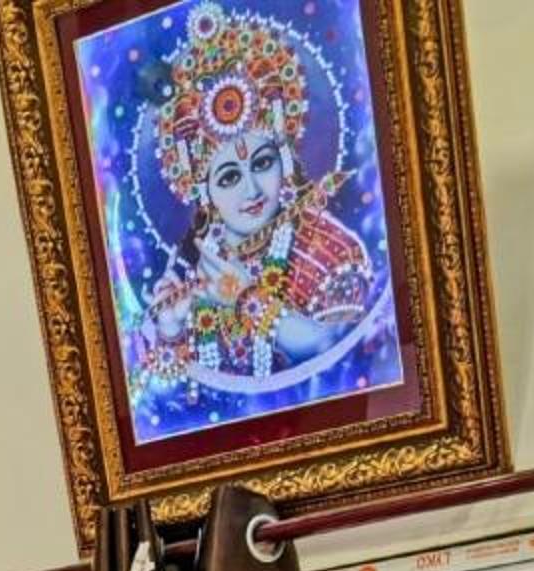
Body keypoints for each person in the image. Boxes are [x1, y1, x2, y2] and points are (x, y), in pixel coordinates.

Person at [132, 4, 376, 392]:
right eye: (229, 177)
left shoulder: (330, 251)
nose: (252, 190)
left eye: (262, 163)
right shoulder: (202, 270)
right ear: (204, 193)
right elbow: (183, 400)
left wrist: (248, 297)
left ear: (285, 160)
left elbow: (346, 354)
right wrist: (171, 328)